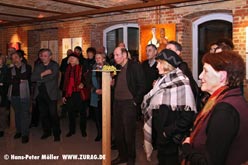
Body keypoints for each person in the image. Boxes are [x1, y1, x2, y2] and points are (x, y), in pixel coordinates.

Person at [181, 51, 248, 165]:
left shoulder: (225, 110)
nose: (200, 76)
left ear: (222, 76)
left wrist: (187, 149)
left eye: (206, 71)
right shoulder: (232, 97)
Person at [141, 49, 197, 164]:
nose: (156, 66)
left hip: (170, 137)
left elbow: (188, 116)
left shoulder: (181, 81)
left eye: (159, 63)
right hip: (161, 135)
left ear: (166, 65)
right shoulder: (162, 81)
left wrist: (167, 132)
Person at [111, 47, 146, 165]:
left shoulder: (134, 66)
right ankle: (122, 156)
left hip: (129, 103)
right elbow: (118, 84)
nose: (114, 58)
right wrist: (112, 83)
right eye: (114, 55)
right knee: (118, 132)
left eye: (117, 55)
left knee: (129, 134)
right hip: (117, 103)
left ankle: (131, 159)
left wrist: (135, 101)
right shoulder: (116, 67)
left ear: (125, 55)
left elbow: (142, 85)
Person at [31, 48, 61, 142]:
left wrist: (39, 77)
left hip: (51, 93)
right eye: (41, 56)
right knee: (43, 115)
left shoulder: (54, 65)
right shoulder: (38, 65)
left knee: (53, 114)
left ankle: (56, 133)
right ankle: (46, 132)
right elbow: (32, 78)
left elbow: (52, 78)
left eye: (45, 56)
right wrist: (44, 73)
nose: (43, 58)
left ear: (50, 56)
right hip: (39, 93)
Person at [166, 41, 201, 111]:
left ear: (178, 53)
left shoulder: (182, 66)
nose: (166, 52)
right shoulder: (168, 67)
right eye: (166, 50)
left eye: (169, 49)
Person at [7, 51, 32, 143]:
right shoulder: (10, 70)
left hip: (24, 95)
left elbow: (25, 76)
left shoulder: (28, 67)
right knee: (17, 114)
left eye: (16, 57)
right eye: (12, 58)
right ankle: (19, 131)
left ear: (21, 58)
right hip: (13, 95)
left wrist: (15, 79)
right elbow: (9, 81)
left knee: (24, 114)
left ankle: (25, 134)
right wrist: (18, 79)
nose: (14, 60)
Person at [62, 53, 87, 138]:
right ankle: (71, 130)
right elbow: (64, 83)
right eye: (70, 58)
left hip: (79, 93)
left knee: (82, 113)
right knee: (70, 113)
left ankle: (83, 130)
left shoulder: (81, 68)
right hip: (69, 94)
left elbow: (86, 78)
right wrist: (63, 95)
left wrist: (83, 83)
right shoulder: (67, 69)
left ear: (77, 60)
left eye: (74, 58)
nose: (72, 59)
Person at [142, 44, 159, 148]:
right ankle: (148, 140)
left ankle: (155, 142)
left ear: (155, 52)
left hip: (156, 96)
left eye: (150, 50)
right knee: (146, 119)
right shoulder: (143, 64)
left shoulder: (159, 64)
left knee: (155, 119)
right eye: (146, 50)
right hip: (146, 96)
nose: (147, 53)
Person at [90, 52, 107, 141]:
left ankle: (107, 135)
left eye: (99, 58)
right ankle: (99, 133)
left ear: (103, 59)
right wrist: (95, 90)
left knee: (106, 117)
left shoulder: (109, 68)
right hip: (95, 95)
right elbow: (88, 82)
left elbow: (111, 82)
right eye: (96, 58)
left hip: (106, 96)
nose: (97, 59)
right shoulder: (93, 68)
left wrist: (104, 90)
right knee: (97, 117)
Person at [59, 49, 73, 118]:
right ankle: (63, 113)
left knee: (71, 98)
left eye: (70, 53)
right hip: (65, 81)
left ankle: (72, 112)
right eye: (68, 53)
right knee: (64, 97)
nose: (69, 54)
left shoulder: (74, 62)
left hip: (71, 83)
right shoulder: (64, 60)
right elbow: (61, 69)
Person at [0, 55, 9, 137]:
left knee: (2, 112)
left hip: (2, 93)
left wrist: (2, 84)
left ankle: (2, 129)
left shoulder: (6, 69)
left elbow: (8, 81)